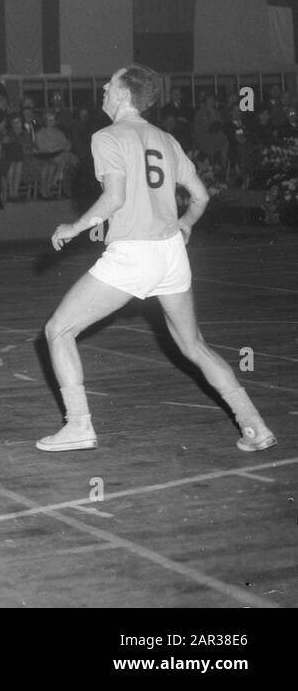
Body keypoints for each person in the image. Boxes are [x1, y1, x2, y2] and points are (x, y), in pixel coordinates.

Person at [37, 64, 275, 454]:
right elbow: (201, 197)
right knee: (194, 345)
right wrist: (186, 224)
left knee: (58, 331)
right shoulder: (165, 138)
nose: (103, 86)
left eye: (110, 83)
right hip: (171, 254)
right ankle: (254, 425)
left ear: (124, 94)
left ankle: (79, 425)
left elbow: (115, 197)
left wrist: (74, 227)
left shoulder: (106, 137)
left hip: (134, 253)